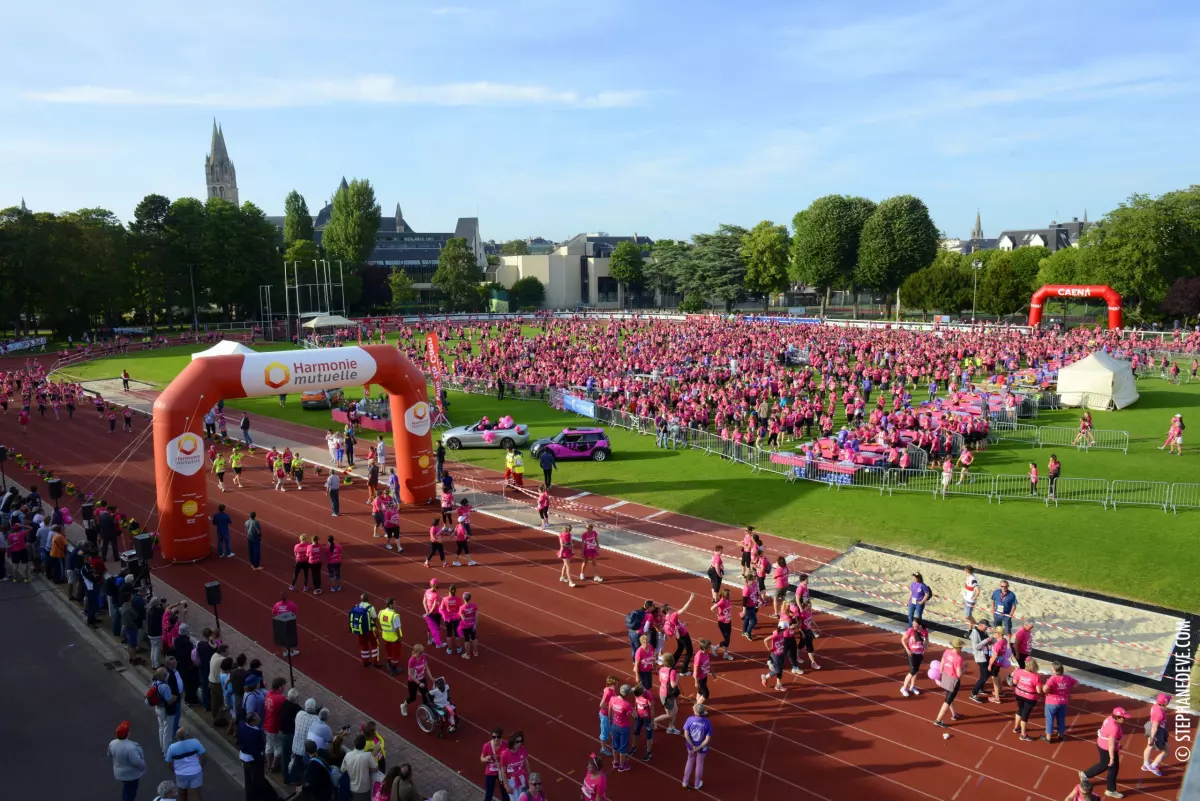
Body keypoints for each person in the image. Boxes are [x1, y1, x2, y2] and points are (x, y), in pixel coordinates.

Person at [1081, 707, 1127, 799]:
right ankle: (1110, 790)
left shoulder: (1110, 718)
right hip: (1106, 748)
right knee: (1112, 768)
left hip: (1101, 744)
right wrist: (1112, 758)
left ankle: (1085, 774)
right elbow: (1110, 744)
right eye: (1123, 717)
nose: (1124, 719)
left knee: (1104, 764)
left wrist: (1117, 746)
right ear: (1117, 717)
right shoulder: (1114, 727)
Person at [165, 726, 207, 801]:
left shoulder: (172, 747)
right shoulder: (195, 742)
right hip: (196, 771)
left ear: (177, 736)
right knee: (195, 792)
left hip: (180, 773)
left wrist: (174, 771)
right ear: (187, 735)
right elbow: (203, 754)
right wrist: (200, 766)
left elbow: (169, 762)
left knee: (182, 790)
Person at [109, 720, 146, 801]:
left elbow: (110, 755)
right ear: (127, 734)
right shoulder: (131, 747)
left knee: (127, 789)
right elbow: (136, 762)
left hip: (119, 774)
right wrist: (143, 766)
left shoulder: (112, 743)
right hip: (131, 775)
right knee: (131, 793)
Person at [933, 638, 965, 729]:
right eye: (961, 646)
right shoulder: (959, 658)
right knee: (947, 701)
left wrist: (941, 673)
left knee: (949, 697)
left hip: (945, 677)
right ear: (958, 647)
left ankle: (954, 714)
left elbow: (942, 663)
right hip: (953, 681)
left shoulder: (947, 651)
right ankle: (938, 720)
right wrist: (964, 668)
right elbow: (959, 674)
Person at [237, 711, 269, 801]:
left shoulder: (242, 725)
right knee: (256, 781)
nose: (259, 718)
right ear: (253, 721)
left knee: (248, 779)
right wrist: (261, 759)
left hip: (243, 756)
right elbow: (258, 748)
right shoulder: (256, 733)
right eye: (257, 718)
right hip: (253, 759)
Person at [681, 703, 712, 791]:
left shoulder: (690, 719)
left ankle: (685, 781)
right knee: (699, 764)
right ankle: (697, 783)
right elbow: (707, 739)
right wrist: (698, 747)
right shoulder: (707, 722)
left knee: (690, 760)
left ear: (695, 711)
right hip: (702, 747)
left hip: (691, 746)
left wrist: (692, 745)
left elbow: (686, 735)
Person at [1011, 657, 1041, 741]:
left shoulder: (1019, 672)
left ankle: (1016, 727)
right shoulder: (1036, 677)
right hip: (1030, 697)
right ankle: (1023, 734)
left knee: (1020, 710)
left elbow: (1014, 682)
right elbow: (1038, 691)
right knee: (1025, 715)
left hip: (1019, 694)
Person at [341, 734, 379, 801]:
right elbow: (376, 767)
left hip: (352, 788)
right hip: (364, 789)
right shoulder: (368, 755)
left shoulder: (348, 755)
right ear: (364, 745)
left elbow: (343, 769)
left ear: (354, 744)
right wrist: (368, 770)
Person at [606, 684, 634, 773]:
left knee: (614, 744)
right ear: (626, 694)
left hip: (614, 725)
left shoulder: (612, 699)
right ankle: (622, 766)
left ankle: (615, 762)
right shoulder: (627, 704)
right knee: (623, 747)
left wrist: (610, 723)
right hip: (624, 727)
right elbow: (634, 715)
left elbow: (609, 711)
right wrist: (634, 710)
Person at [1143, 693, 1172, 777]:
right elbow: (1155, 727)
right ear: (1163, 702)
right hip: (1158, 731)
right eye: (1168, 700)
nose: (1169, 701)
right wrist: (1152, 739)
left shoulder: (1155, 706)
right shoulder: (1159, 713)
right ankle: (1153, 766)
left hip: (1151, 725)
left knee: (1149, 746)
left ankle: (1145, 764)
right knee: (1166, 751)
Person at [400, 644, 432, 717]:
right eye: (419, 653)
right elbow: (410, 674)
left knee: (425, 695)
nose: (421, 654)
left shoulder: (424, 657)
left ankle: (426, 712)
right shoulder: (412, 661)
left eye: (422, 652)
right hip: (413, 681)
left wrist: (431, 677)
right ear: (415, 652)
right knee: (412, 698)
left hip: (422, 678)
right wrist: (419, 683)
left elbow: (426, 668)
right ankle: (403, 705)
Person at [349, 593, 380, 667]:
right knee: (374, 644)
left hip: (359, 629)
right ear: (368, 599)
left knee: (363, 645)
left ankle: (365, 661)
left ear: (361, 600)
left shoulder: (356, 606)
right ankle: (375, 662)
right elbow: (374, 618)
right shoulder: (370, 608)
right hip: (369, 630)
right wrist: (376, 628)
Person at [900, 619, 927, 697]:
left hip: (920, 654)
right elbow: (903, 639)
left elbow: (926, 641)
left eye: (915, 624)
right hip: (912, 654)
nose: (913, 625)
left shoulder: (924, 631)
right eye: (913, 623)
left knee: (916, 671)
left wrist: (924, 650)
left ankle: (912, 687)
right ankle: (904, 688)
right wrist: (907, 649)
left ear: (919, 625)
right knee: (912, 671)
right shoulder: (911, 630)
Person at [500, 731, 529, 799]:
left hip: (521, 778)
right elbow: (503, 771)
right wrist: (506, 785)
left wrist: (530, 776)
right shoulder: (505, 755)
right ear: (512, 741)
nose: (519, 744)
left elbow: (526, 763)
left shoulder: (522, 749)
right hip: (511, 781)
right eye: (517, 741)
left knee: (522, 799)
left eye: (521, 741)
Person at [379, 597, 404, 675]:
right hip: (394, 638)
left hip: (385, 636)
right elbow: (397, 629)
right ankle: (394, 669)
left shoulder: (381, 612)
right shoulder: (395, 616)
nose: (396, 605)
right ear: (390, 605)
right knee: (395, 654)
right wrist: (400, 637)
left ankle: (389, 664)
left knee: (388, 652)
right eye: (394, 604)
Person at [480, 728, 507, 801]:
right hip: (490, 772)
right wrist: (486, 759)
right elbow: (482, 758)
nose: (496, 739)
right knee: (489, 793)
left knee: (505, 792)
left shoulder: (506, 745)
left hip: (502, 772)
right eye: (494, 737)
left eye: (498, 737)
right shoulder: (487, 746)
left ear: (502, 736)